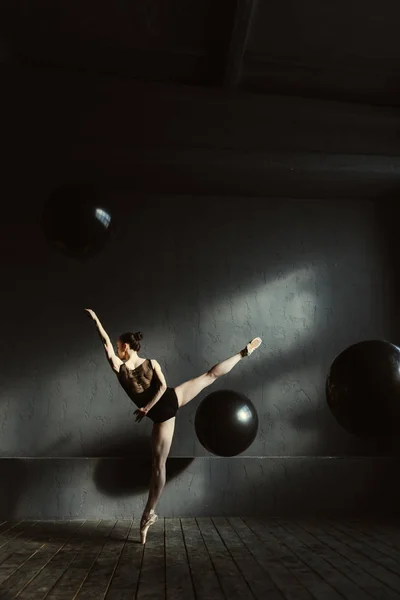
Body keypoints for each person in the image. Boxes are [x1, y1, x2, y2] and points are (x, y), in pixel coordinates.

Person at [85, 308, 262, 543]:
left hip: (163, 411)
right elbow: (105, 341)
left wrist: (147, 408)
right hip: (172, 400)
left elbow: (160, 387)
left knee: (159, 467)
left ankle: (147, 514)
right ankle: (243, 353)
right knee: (209, 376)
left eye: (119, 346)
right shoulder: (136, 365)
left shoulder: (132, 366)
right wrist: (96, 320)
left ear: (126, 347)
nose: (116, 349)